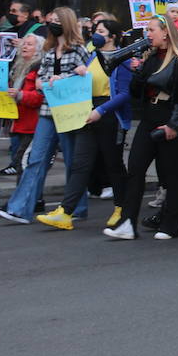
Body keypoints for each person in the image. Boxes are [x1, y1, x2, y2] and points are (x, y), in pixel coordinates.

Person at [105, 15, 178, 241]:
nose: (148, 34)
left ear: (165, 33)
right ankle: (127, 221)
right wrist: (137, 72)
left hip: (168, 118)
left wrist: (173, 124)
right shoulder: (150, 58)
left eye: (151, 29)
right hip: (148, 118)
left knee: (171, 174)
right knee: (135, 168)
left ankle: (170, 224)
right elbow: (137, 94)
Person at [0, 7, 90, 224]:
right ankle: (19, 209)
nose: (53, 23)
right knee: (36, 159)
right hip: (48, 110)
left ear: (66, 23)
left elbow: (87, 77)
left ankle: (76, 206)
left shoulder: (79, 49)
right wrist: (45, 81)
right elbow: (40, 79)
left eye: (58, 20)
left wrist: (65, 77)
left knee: (71, 160)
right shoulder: (48, 50)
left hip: (69, 112)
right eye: (52, 20)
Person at [47, 20, 131, 230]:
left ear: (112, 36)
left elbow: (125, 93)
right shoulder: (93, 54)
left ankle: (122, 208)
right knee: (80, 163)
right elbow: (84, 80)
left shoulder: (123, 59)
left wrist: (101, 111)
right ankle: (66, 212)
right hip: (89, 109)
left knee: (113, 164)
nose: (96, 34)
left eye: (101, 31)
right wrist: (63, 78)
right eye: (95, 31)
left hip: (109, 113)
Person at [0, 33, 43, 177]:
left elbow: (40, 97)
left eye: (30, 44)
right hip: (17, 120)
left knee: (24, 163)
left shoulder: (40, 68)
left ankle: (27, 197)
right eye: (24, 43)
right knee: (19, 159)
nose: (25, 46)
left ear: (38, 49)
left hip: (31, 122)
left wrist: (20, 95)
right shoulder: (18, 66)